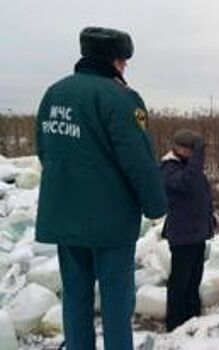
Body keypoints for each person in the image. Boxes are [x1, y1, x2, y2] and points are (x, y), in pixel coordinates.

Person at [35, 27, 167, 350]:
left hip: (65, 216)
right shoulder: (120, 99)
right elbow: (138, 160)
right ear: (115, 61)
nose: (124, 68)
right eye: (123, 61)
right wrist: (156, 206)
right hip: (110, 222)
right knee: (116, 301)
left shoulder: (54, 94)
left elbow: (45, 150)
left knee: (75, 297)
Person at [161, 130, 214, 331]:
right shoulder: (169, 168)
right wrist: (197, 157)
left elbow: (200, 194)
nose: (194, 154)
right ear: (179, 148)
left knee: (194, 280)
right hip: (182, 235)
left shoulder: (188, 167)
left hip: (197, 233)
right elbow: (187, 183)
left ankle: (193, 319)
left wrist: (209, 218)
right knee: (180, 283)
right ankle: (175, 324)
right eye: (192, 150)